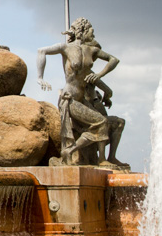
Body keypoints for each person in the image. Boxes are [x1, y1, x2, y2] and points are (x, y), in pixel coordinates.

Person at [36, 17, 126, 166]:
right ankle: (100, 159)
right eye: (91, 31)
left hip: (82, 101)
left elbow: (114, 60)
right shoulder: (66, 48)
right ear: (82, 31)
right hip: (69, 99)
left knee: (106, 122)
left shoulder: (92, 50)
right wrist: (40, 78)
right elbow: (41, 51)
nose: (93, 34)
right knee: (101, 121)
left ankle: (83, 154)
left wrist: (99, 75)